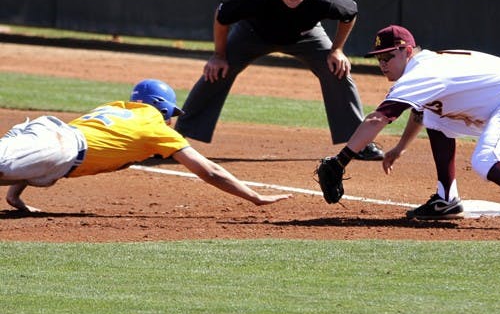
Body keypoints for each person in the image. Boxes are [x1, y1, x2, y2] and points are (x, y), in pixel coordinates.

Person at [319, 25, 500, 232]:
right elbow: (421, 112)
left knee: (486, 159)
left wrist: (342, 160)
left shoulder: (422, 72)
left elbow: (378, 119)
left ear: (407, 51)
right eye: (379, 59)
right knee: (434, 114)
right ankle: (447, 199)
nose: (383, 64)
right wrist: (399, 148)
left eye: (388, 56)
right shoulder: (426, 66)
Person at [175, 0, 383, 161]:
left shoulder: (322, 1)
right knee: (217, 70)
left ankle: (359, 143)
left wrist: (337, 49)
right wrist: (218, 56)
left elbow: (350, 12)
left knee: (337, 69)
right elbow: (222, 16)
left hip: (306, 36)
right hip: (252, 34)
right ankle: (176, 139)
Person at [0, 79, 292, 213]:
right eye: (170, 114)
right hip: (60, 147)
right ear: (161, 107)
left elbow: (44, 154)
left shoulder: (117, 108)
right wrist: (254, 197)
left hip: (49, 135)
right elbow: (210, 171)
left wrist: (15, 196)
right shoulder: (153, 126)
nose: (171, 121)